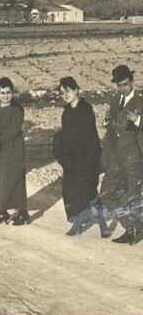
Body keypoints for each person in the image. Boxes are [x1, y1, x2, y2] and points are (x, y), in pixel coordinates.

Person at [54, 77, 109, 236]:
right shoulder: (66, 112)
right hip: (72, 160)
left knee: (89, 191)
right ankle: (76, 224)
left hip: (87, 158)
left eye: (68, 91)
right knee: (70, 191)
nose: (66, 95)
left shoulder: (86, 109)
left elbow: (86, 136)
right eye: (62, 92)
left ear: (76, 90)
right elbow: (65, 136)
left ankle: (102, 223)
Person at [99, 65, 143, 245]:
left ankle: (134, 230)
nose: (122, 89)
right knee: (106, 194)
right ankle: (132, 225)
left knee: (132, 195)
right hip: (116, 158)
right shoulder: (115, 99)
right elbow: (111, 128)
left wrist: (138, 120)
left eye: (125, 84)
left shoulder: (140, 102)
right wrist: (105, 121)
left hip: (134, 158)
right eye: (119, 85)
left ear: (132, 82)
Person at [0, 77, 28, 226]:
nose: (6, 96)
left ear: (12, 93)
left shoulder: (17, 110)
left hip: (13, 149)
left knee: (14, 179)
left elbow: (14, 130)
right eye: (2, 93)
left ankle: (23, 212)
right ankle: (2, 212)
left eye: (8, 92)